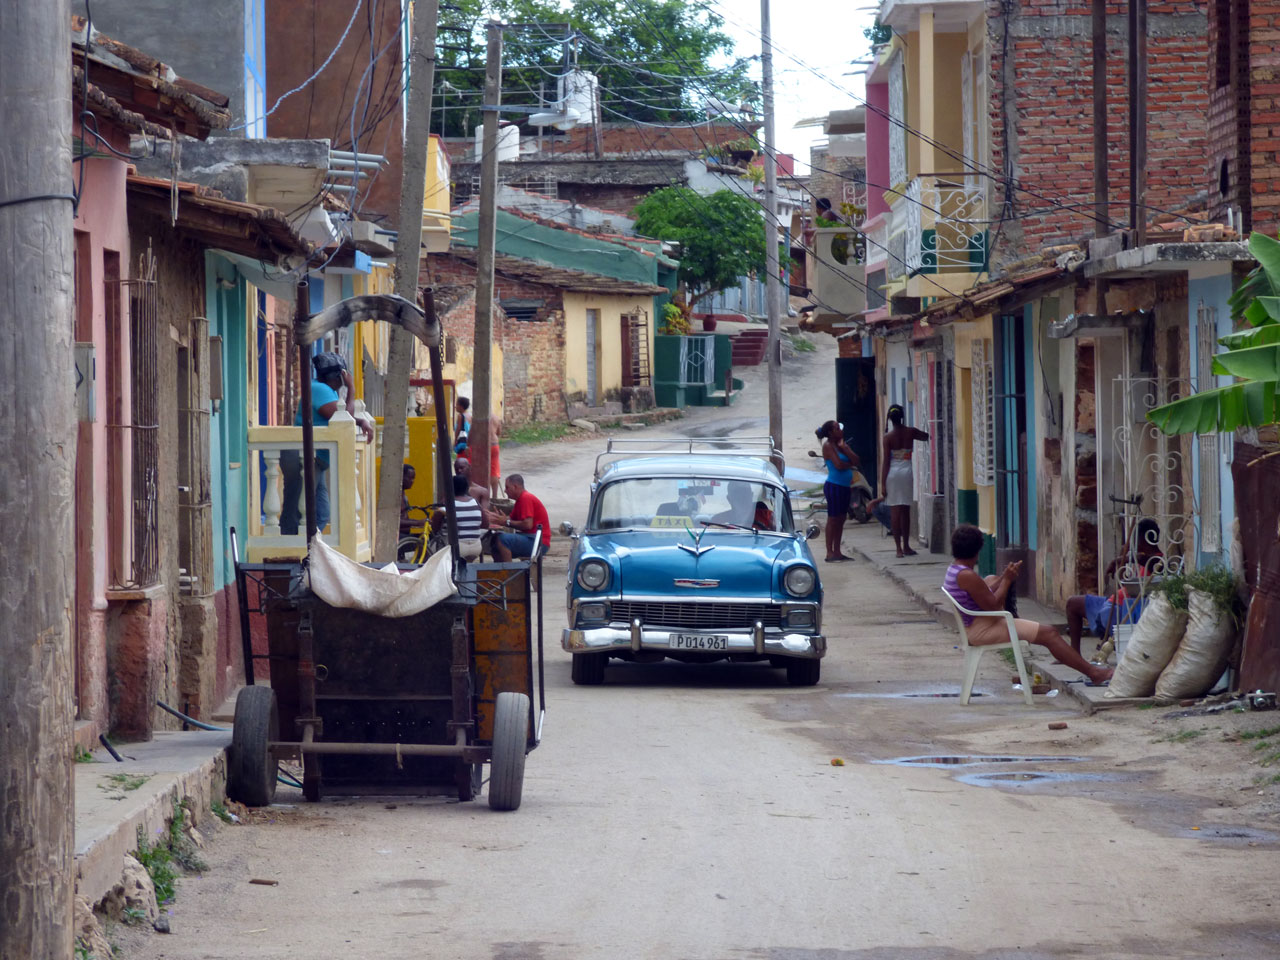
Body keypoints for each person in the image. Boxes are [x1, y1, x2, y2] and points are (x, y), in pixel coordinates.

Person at [945, 524, 1114, 685]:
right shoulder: (967, 575)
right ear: (976, 551)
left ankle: (1090, 670)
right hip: (982, 630)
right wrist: (1008, 581)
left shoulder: (955, 570)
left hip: (977, 625)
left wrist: (1003, 577)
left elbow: (982, 591)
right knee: (1050, 634)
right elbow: (994, 605)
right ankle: (1094, 673)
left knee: (991, 579)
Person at [280, 352, 374, 535]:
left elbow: (341, 416)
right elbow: (342, 418)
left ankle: (309, 547)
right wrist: (351, 388)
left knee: (321, 512)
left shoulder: (324, 390)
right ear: (338, 375)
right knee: (296, 508)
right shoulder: (319, 389)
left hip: (316, 459)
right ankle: (291, 546)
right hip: (304, 456)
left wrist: (361, 421)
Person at [1066, 518, 1163, 653]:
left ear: (1145, 539)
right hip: (1112, 602)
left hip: (1123, 609)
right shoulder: (1138, 557)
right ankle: (1073, 654)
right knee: (1073, 603)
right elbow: (1121, 581)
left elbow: (1151, 563)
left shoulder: (1157, 561)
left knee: (1107, 614)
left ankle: (1108, 641)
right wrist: (1122, 556)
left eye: (1136, 539)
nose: (1134, 543)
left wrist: (1119, 559)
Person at [880, 403, 929, 558]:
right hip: (907, 472)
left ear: (890, 419)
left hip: (892, 475)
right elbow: (926, 436)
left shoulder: (887, 438)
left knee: (895, 510)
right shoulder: (910, 432)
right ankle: (907, 546)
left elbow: (886, 461)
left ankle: (898, 549)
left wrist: (883, 483)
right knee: (905, 510)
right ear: (902, 417)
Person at [816, 419, 858, 562]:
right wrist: (850, 463)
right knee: (833, 518)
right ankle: (829, 552)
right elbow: (839, 465)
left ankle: (838, 551)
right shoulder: (828, 446)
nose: (840, 430)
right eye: (836, 428)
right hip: (834, 486)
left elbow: (857, 460)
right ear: (830, 432)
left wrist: (846, 449)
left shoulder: (841, 445)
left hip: (845, 486)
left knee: (841, 518)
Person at [486, 473, 550, 561]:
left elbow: (527, 524)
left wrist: (505, 522)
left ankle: (508, 572)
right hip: (531, 538)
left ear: (515, 487)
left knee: (502, 539)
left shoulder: (525, 498)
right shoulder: (520, 500)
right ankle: (500, 572)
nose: (505, 491)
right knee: (494, 542)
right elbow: (510, 519)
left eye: (507, 487)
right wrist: (497, 518)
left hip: (537, 541)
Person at [449, 473, 486, 561]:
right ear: (467, 488)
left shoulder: (450, 504)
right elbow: (486, 524)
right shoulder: (475, 502)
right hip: (476, 548)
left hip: (458, 548)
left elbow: (435, 528)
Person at [400, 463, 418, 535]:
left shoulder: (403, 493)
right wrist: (417, 523)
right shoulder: (396, 496)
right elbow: (395, 521)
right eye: (410, 478)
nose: (412, 481)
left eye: (413, 478)